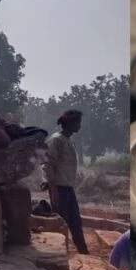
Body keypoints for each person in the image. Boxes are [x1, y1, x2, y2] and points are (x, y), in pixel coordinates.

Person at [41, 109, 89, 254]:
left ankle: (83, 252)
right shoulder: (56, 140)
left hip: (67, 188)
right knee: (60, 223)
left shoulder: (67, 140)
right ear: (70, 123)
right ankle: (57, 252)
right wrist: (53, 190)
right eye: (78, 122)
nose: (80, 126)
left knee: (75, 221)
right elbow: (48, 165)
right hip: (59, 188)